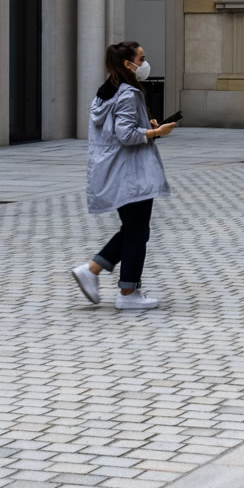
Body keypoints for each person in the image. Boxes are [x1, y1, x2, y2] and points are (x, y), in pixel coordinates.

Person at [72, 41, 178, 309]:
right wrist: (157, 132)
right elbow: (126, 134)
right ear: (127, 64)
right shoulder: (128, 93)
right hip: (130, 173)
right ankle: (127, 293)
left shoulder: (107, 91)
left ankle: (94, 271)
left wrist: (147, 124)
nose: (145, 64)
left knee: (134, 230)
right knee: (137, 231)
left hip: (114, 169)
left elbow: (116, 127)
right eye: (141, 59)